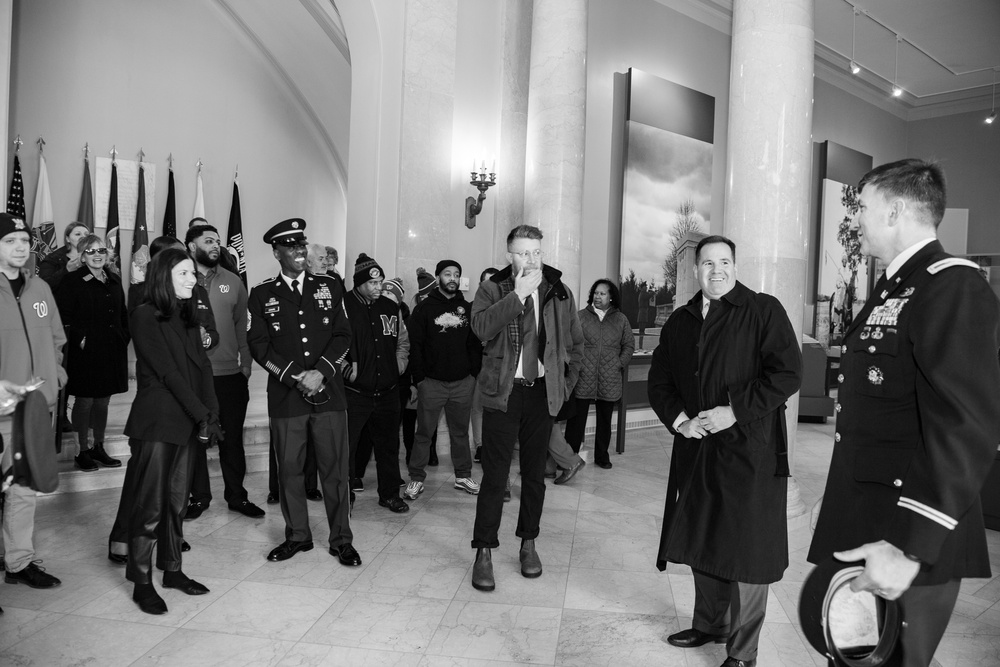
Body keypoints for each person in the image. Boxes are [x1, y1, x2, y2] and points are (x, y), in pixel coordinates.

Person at [808, 159, 1000, 667]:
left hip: (908, 537)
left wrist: (909, 547)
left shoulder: (949, 285)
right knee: (852, 657)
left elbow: (965, 425)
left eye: (863, 209)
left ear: (894, 211)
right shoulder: (895, 286)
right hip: (868, 520)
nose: (857, 222)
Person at [647, 234, 802, 667]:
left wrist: (734, 411)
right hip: (697, 450)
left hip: (751, 450)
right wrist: (682, 421)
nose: (717, 270)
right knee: (703, 537)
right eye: (708, 263)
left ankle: (744, 651)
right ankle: (710, 624)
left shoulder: (763, 310)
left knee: (747, 551)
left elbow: (787, 374)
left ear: (735, 265)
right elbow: (660, 381)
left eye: (725, 261)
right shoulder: (680, 321)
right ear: (696, 269)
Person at [470, 224, 583, 592]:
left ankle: (528, 543)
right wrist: (517, 295)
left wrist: (563, 386)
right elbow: (481, 329)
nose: (531, 259)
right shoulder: (493, 288)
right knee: (495, 477)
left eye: (535, 252)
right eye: (522, 253)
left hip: (541, 396)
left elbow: (576, 344)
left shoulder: (560, 291)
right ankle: (484, 551)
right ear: (509, 256)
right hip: (503, 394)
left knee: (535, 476)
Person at [248, 218, 359, 566]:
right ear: (276, 251)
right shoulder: (262, 293)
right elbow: (259, 346)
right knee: (290, 470)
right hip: (286, 397)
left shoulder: (330, 286)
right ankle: (298, 536)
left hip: (329, 394)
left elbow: (344, 336)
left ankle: (341, 539)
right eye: (290, 245)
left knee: (335, 470)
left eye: (301, 244)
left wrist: (321, 372)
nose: (298, 250)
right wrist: (297, 375)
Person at [123, 248, 217, 615]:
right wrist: (201, 414)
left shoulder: (188, 315)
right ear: (163, 277)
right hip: (159, 420)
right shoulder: (145, 315)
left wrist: (213, 413)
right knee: (149, 507)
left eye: (193, 274)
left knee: (177, 502)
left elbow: (202, 368)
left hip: (188, 420)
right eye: (183, 274)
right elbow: (168, 374)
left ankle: (173, 570)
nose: (192, 280)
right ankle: (141, 580)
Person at [0, 212, 66, 590]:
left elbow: (56, 340)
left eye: (23, 240)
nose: (20, 246)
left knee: (23, 488)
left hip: (33, 410)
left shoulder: (40, 288)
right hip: (1, 409)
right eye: (10, 241)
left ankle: (19, 562)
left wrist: (54, 377)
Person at [185, 225, 264, 519]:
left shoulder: (232, 281)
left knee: (232, 441)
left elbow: (242, 325)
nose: (215, 245)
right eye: (208, 241)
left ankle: (237, 497)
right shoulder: (181, 280)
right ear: (191, 247)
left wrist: (245, 365)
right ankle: (199, 498)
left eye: (217, 241)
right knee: (196, 441)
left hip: (230, 375)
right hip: (194, 375)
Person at [403, 259, 482, 502]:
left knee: (460, 432)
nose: (452, 278)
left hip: (462, 383)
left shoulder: (467, 308)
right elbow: (414, 346)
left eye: (456, 274)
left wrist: (473, 374)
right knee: (424, 432)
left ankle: (463, 476)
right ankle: (416, 478)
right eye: (447, 274)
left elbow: (475, 344)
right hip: (432, 383)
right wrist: (420, 379)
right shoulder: (424, 309)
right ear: (438, 278)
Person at [55, 234, 130, 471]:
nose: (97, 255)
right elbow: (63, 317)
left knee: (103, 400)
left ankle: (99, 446)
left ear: (107, 254)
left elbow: (122, 314)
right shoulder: (72, 281)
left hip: (111, 349)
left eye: (101, 251)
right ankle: (82, 450)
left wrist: (123, 338)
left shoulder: (114, 280)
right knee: (85, 401)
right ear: (82, 255)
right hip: (85, 351)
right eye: (91, 251)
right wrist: (81, 340)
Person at [342, 253, 410, 513]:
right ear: (359, 283)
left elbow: (403, 341)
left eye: (380, 281)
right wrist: (346, 370)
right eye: (372, 283)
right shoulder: (343, 306)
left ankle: (390, 495)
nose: (378, 287)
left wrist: (398, 366)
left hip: (388, 391)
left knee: (388, 447)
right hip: (355, 393)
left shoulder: (390, 307)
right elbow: (330, 344)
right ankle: (344, 495)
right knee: (347, 448)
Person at [564, 279, 635, 470]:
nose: (598, 296)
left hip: (610, 378)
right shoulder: (580, 316)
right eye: (596, 292)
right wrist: (575, 366)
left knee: (605, 420)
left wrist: (618, 364)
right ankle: (569, 459)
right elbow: (569, 343)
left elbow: (629, 345)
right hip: (583, 376)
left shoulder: (621, 320)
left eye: (602, 293)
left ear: (611, 297)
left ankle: (602, 456)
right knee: (575, 421)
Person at [471, 267, 499, 464]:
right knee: (478, 407)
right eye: (486, 282)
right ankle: (480, 445)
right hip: (478, 365)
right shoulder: (473, 307)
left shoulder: (508, 307)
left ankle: (495, 445)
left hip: (501, 368)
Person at [38, 221, 89, 293]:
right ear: (68, 239)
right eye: (78, 234)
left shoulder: (95, 256)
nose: (83, 237)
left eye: (86, 235)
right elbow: (44, 285)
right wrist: (66, 270)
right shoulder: (52, 259)